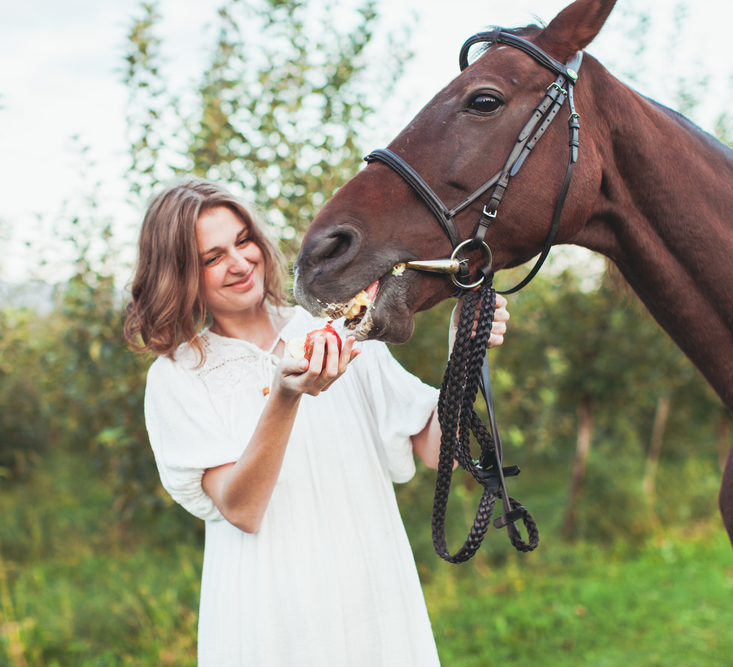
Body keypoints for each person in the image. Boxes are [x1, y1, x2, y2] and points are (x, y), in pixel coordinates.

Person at [124, 178, 509, 666]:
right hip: (270, 617)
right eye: (212, 257)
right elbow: (241, 509)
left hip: (373, 592)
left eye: (243, 241)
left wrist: (463, 353)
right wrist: (286, 398)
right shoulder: (178, 377)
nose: (241, 264)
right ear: (180, 273)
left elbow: (438, 450)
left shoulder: (337, 324)